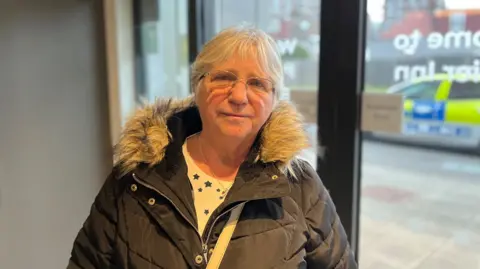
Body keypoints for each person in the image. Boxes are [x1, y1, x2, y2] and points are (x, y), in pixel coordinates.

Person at [67, 25, 358, 269]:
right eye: (223, 78)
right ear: (197, 85)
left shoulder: (300, 186)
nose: (239, 96)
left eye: (257, 83)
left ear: (273, 100)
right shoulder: (136, 178)